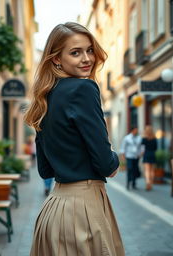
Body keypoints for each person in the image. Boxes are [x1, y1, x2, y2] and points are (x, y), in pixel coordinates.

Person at [24, 22, 125, 256]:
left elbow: (45, 169)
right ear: (56, 59)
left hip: (54, 211)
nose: (87, 59)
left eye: (89, 50)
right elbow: (106, 164)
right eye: (75, 52)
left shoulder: (44, 98)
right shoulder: (84, 89)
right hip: (85, 209)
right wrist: (114, 159)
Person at [141, 125, 157, 191]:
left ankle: (147, 183)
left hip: (146, 154)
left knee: (147, 170)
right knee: (152, 170)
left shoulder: (144, 139)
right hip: (152, 154)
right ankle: (151, 184)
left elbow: (142, 148)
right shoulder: (154, 139)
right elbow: (156, 148)